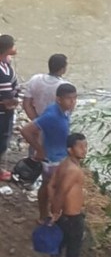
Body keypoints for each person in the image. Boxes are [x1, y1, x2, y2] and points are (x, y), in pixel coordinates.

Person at [21, 83, 78, 224]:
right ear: (59, 99)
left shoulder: (63, 110)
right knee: (52, 189)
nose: (72, 102)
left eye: (75, 98)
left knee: (48, 187)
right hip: (52, 159)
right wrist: (39, 149)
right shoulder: (52, 115)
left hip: (60, 156)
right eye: (69, 99)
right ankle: (50, 217)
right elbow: (26, 130)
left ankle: (45, 215)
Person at [48, 133, 89, 257]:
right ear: (70, 150)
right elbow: (60, 192)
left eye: (86, 146)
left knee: (57, 245)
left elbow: (50, 186)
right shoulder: (74, 171)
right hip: (72, 217)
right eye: (80, 147)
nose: (84, 150)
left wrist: (55, 211)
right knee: (74, 249)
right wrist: (56, 211)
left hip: (62, 216)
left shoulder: (63, 164)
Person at [24, 54, 69, 120]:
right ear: (63, 69)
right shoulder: (65, 86)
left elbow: (26, 104)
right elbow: (68, 109)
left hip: (38, 120)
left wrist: (37, 122)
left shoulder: (35, 79)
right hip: (57, 123)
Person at [0, 34, 19, 181]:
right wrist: (12, 102)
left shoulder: (5, 64)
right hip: (3, 112)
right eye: (13, 46)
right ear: (7, 49)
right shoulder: (4, 73)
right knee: (2, 139)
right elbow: (6, 98)